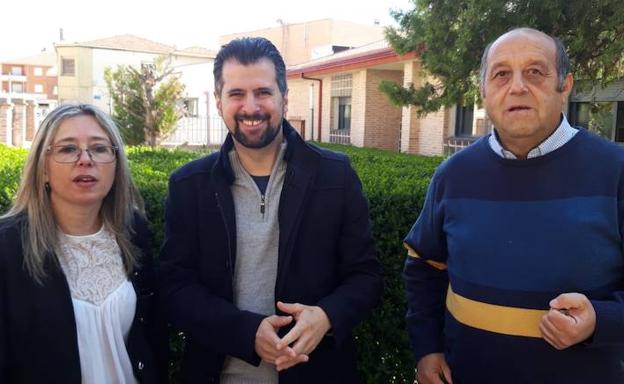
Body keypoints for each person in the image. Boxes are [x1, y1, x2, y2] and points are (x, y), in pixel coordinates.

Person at [403, 27, 624, 384]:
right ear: (484, 90)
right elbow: (424, 267)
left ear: (565, 86)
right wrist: (427, 349)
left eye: (535, 72)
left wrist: (601, 320)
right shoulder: (453, 175)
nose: (517, 86)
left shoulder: (616, 171)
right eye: (501, 74)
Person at [159, 37, 383, 383]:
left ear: (284, 97)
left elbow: (366, 276)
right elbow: (175, 288)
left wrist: (326, 316)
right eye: (236, 94)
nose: (251, 107)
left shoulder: (335, 176)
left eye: (263, 92)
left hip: (317, 373)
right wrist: (246, 332)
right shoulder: (189, 186)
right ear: (219, 103)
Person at [0, 104, 168, 383]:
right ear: (42, 168)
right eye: (68, 149)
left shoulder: (132, 231)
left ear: (116, 164)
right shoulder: (8, 247)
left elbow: (152, 336)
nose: (85, 159)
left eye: (100, 148)